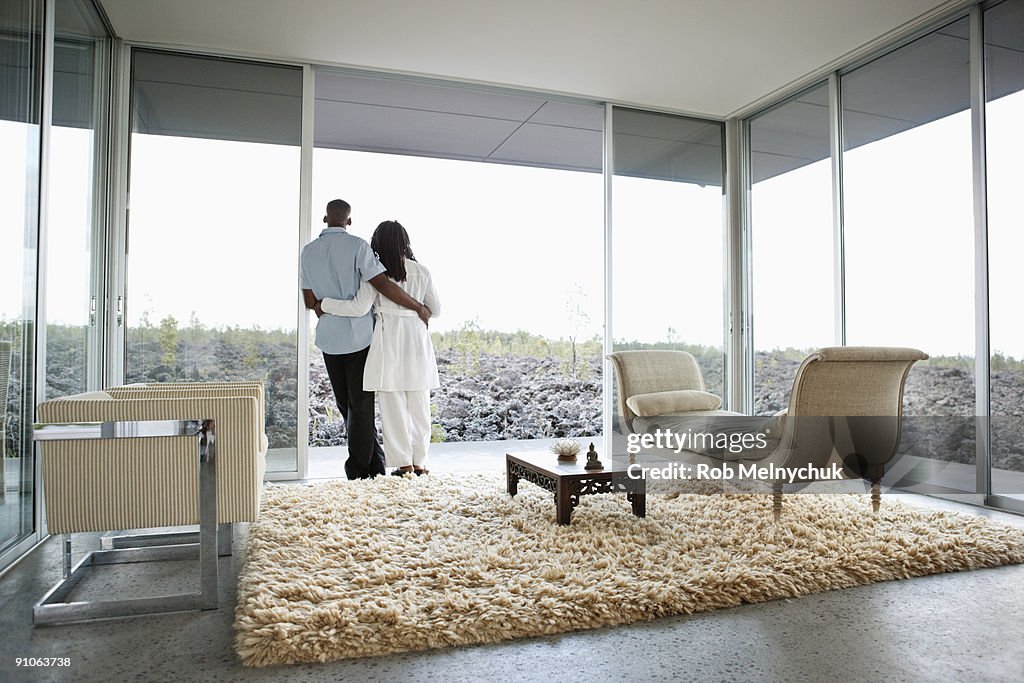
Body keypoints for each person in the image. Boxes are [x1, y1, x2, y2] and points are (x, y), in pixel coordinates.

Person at [301, 200, 430, 479]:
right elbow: (382, 284)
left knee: (346, 405)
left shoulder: (308, 252)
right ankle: (361, 469)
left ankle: (373, 463)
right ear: (348, 221)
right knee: (360, 406)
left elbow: (310, 300)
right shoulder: (359, 247)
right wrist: (418, 307)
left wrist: (324, 307)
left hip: (329, 339)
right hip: (360, 339)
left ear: (325, 219)